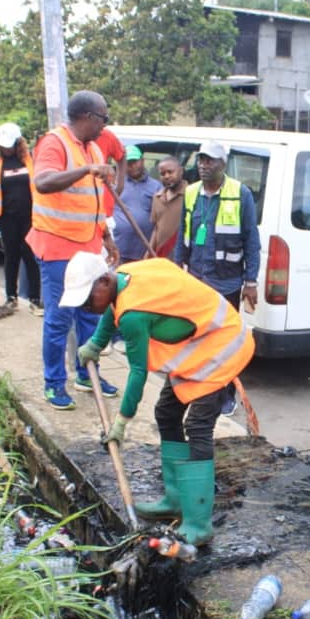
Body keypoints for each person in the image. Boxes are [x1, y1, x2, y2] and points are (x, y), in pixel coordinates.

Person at [65, 252, 254, 546]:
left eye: (89, 299)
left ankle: (198, 524)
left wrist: (121, 423)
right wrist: (96, 344)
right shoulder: (123, 278)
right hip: (199, 342)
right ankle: (176, 499)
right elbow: (111, 311)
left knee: (198, 425)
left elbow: (138, 373)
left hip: (222, 343)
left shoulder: (133, 314)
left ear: (104, 280)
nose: (88, 307)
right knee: (166, 413)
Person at [28, 90, 120, 410]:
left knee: (90, 315)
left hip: (89, 247)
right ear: (87, 117)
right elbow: (43, 183)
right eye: (103, 119)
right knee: (59, 319)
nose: (105, 127)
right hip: (57, 247)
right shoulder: (55, 143)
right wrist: (86, 170)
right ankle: (54, 383)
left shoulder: (92, 147)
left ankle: (86, 373)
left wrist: (106, 236)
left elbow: (91, 202)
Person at [173, 140, 261, 416]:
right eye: (201, 160)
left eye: (209, 160)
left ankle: (225, 396)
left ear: (223, 164)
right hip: (198, 282)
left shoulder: (240, 193)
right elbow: (181, 237)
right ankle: (201, 390)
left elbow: (251, 241)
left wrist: (251, 282)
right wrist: (177, 273)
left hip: (228, 283)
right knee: (197, 340)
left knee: (225, 343)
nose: (203, 165)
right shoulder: (191, 193)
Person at [0, 122, 43, 315]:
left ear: (18, 142)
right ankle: (11, 298)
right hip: (7, 217)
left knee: (30, 257)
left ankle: (35, 300)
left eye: (9, 144)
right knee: (11, 256)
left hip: (30, 216)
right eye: (3, 145)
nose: (6, 148)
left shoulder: (30, 160)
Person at [112, 145, 162, 263]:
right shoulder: (116, 184)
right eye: (129, 163)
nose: (133, 166)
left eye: (135, 162)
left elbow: (160, 219)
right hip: (118, 249)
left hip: (144, 251)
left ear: (142, 161)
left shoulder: (156, 187)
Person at [147, 155, 187, 260]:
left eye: (170, 172)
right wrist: (149, 254)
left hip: (182, 256)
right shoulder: (157, 197)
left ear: (181, 171)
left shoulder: (191, 194)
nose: (167, 176)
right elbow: (156, 229)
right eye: (162, 174)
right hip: (161, 256)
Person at [94, 127, 127, 216]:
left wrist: (120, 186)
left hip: (103, 208)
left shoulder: (105, 135)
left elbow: (122, 154)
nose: (104, 124)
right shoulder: (65, 139)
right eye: (103, 118)